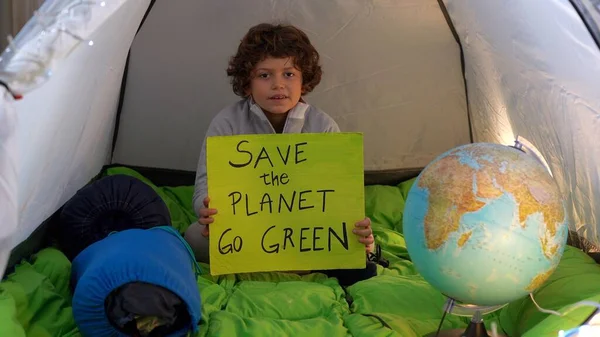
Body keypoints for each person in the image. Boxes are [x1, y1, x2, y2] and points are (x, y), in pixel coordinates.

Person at [185, 23, 378, 285]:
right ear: (247, 82)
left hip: (306, 233)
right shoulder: (226, 123)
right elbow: (203, 185)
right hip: (248, 232)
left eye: (289, 74)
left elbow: (339, 197)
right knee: (194, 238)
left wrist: (357, 230)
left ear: (304, 79)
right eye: (265, 75)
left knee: (358, 243)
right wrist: (205, 209)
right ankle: (285, 265)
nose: (278, 85)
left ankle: (307, 262)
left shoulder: (324, 126)